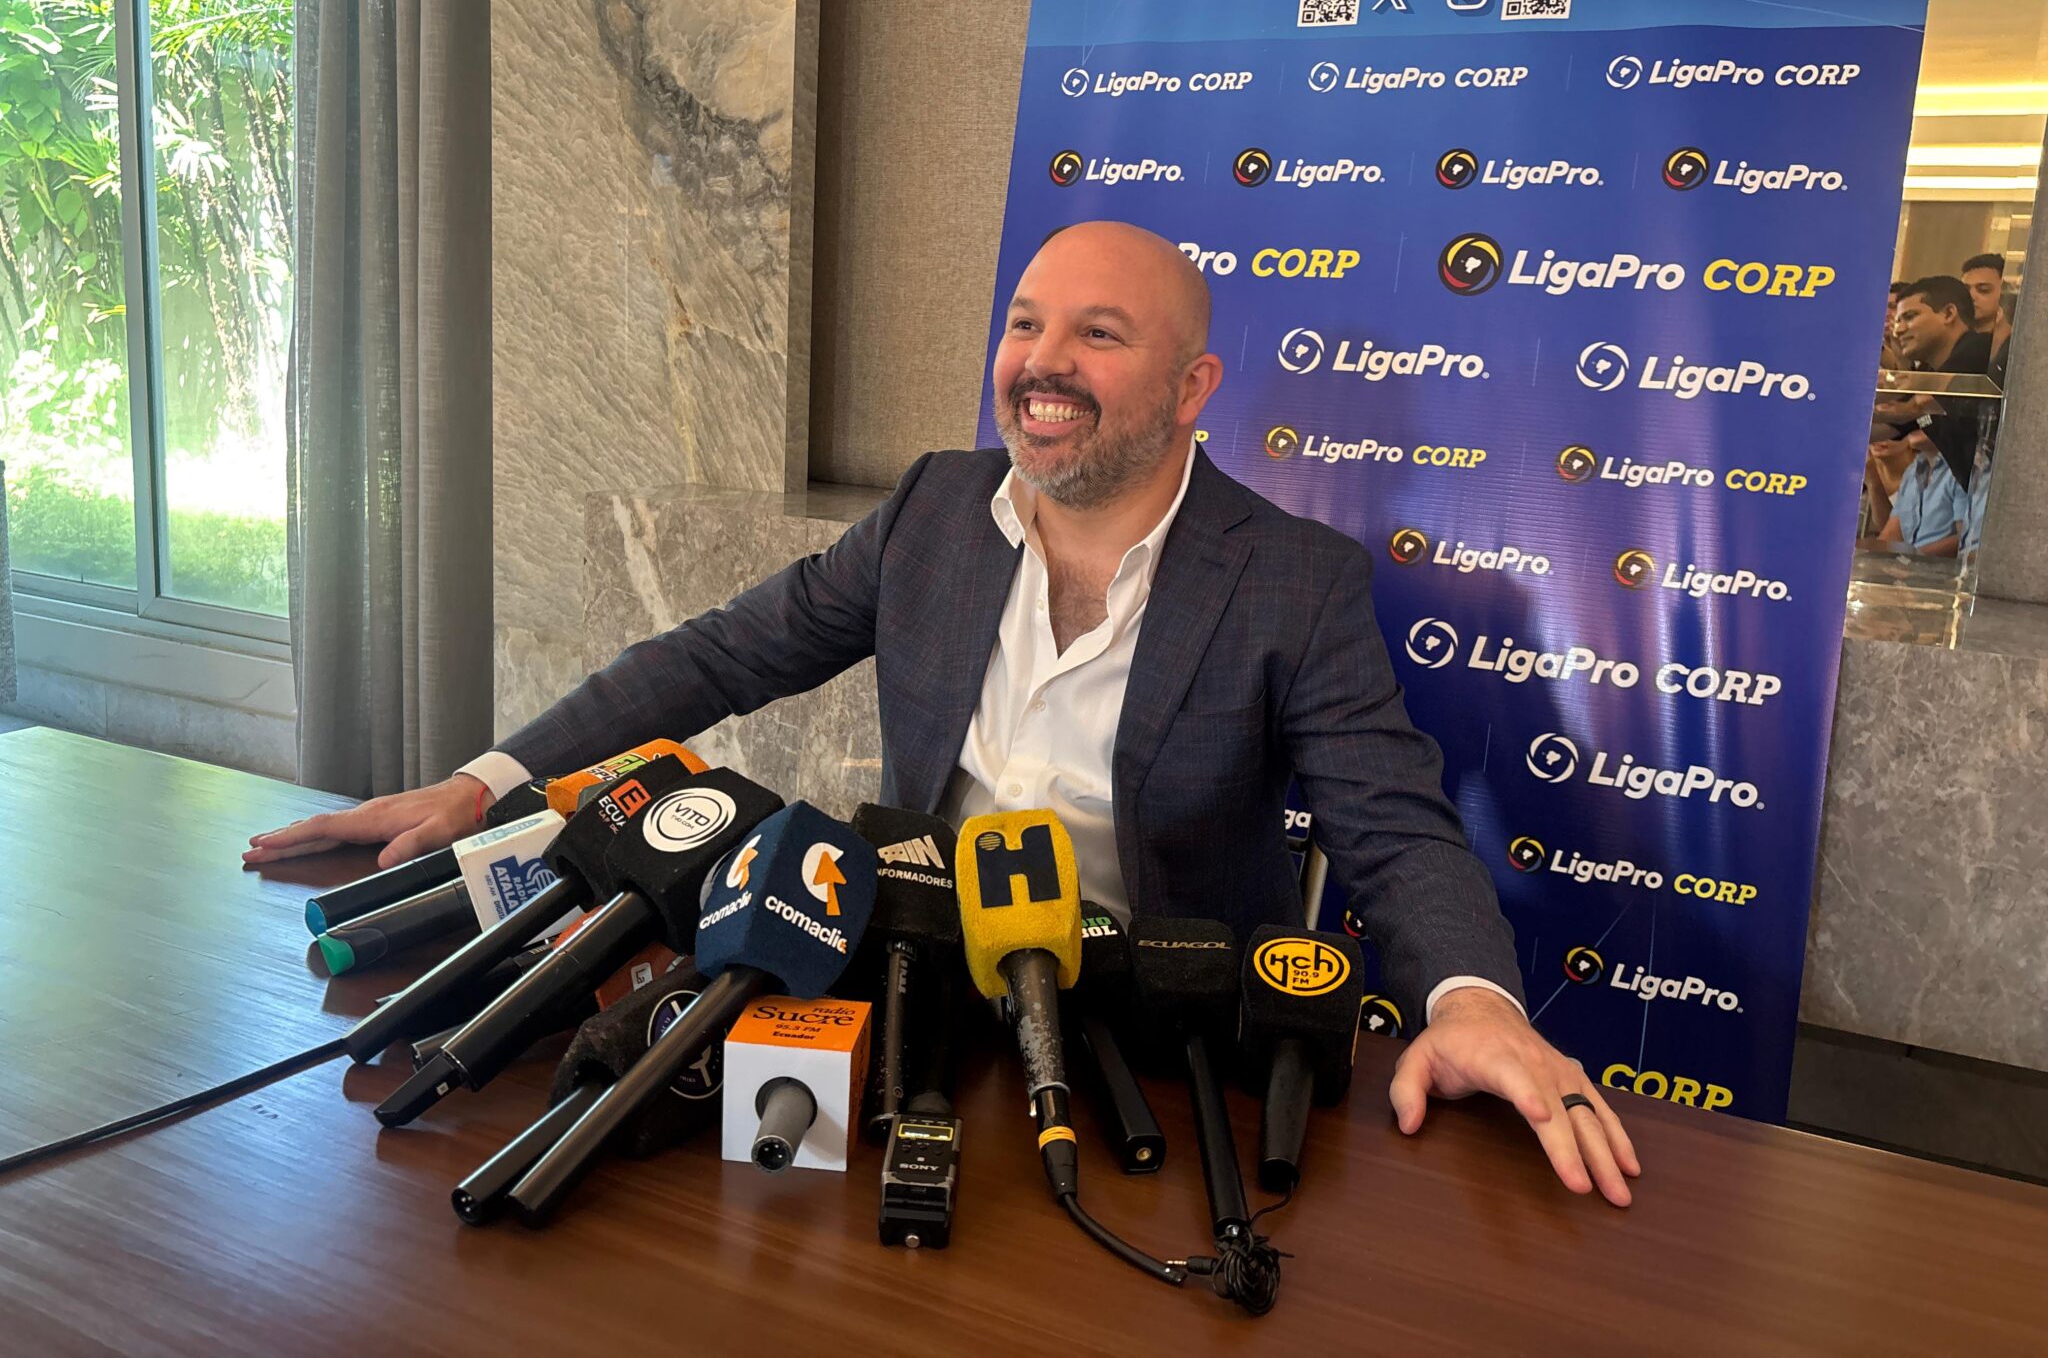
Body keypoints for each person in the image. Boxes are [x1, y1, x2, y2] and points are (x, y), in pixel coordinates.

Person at [249, 219, 1641, 1207]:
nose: (1042, 361)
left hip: (1147, 1065)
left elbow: (1392, 829)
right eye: (1025, 322)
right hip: (909, 1001)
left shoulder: (1293, 580)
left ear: (1192, 387)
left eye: (1098, 333)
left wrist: (1475, 1004)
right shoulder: (931, 510)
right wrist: (485, 782)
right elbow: (718, 657)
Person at [1894, 275, 1993, 490]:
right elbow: (1890, 422)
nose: (1898, 330)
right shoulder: (1928, 373)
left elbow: (1905, 409)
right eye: (1897, 321)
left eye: (1909, 317)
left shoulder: (1980, 351)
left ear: (1948, 313)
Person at [1876, 431, 1967, 557]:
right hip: (1909, 565)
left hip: (1936, 568)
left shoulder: (1963, 470)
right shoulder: (1912, 471)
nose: (1919, 424)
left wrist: (1911, 558)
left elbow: (1966, 540)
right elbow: (1891, 535)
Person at [1960, 252, 2012, 372]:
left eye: (1983, 290)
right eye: (1965, 290)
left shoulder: (2017, 343)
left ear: (2005, 292)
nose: (1971, 296)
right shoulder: (1953, 341)